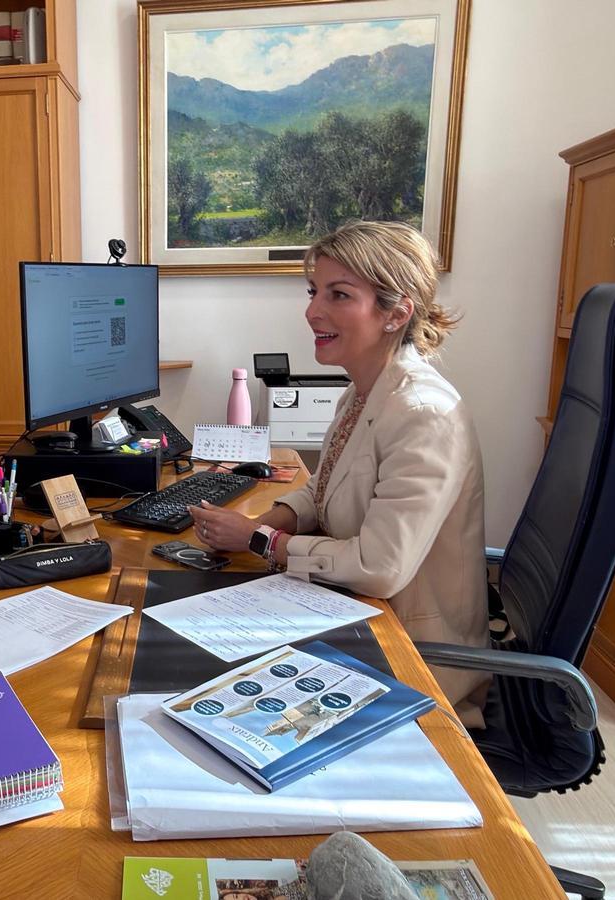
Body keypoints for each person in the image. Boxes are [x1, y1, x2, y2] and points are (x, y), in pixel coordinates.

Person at [189, 220, 488, 723]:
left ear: (395, 312)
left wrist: (260, 540)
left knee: (206, 692)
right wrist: (279, 516)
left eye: (339, 294)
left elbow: (380, 567)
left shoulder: (423, 412)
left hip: (411, 652)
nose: (312, 311)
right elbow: (328, 488)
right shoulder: (363, 391)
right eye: (314, 291)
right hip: (356, 614)